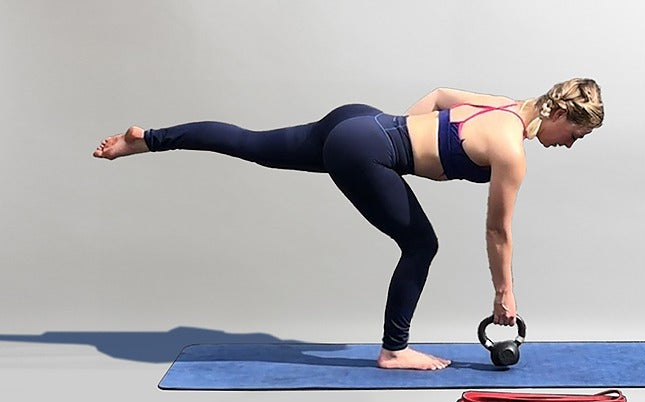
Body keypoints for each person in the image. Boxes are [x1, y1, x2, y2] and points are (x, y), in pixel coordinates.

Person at [92, 78, 604, 371]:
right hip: (365, 145)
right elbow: (498, 233)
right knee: (422, 245)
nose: (571, 144)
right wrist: (504, 298)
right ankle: (395, 349)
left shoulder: (506, 107)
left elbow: (441, 95)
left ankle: (150, 137)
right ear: (563, 116)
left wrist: (398, 138)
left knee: (251, 144)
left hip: (361, 122)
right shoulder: (512, 151)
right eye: (576, 134)